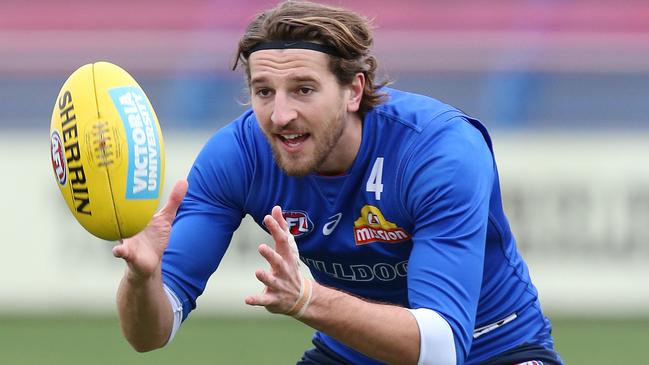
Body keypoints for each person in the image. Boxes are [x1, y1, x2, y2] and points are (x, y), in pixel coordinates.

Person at [112, 1, 563, 364]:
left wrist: (308, 299)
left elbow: (440, 351)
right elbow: (151, 336)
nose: (280, 115)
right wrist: (142, 280)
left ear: (353, 90)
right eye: (264, 91)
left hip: (496, 347)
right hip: (353, 353)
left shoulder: (439, 152)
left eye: (304, 90)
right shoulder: (238, 156)